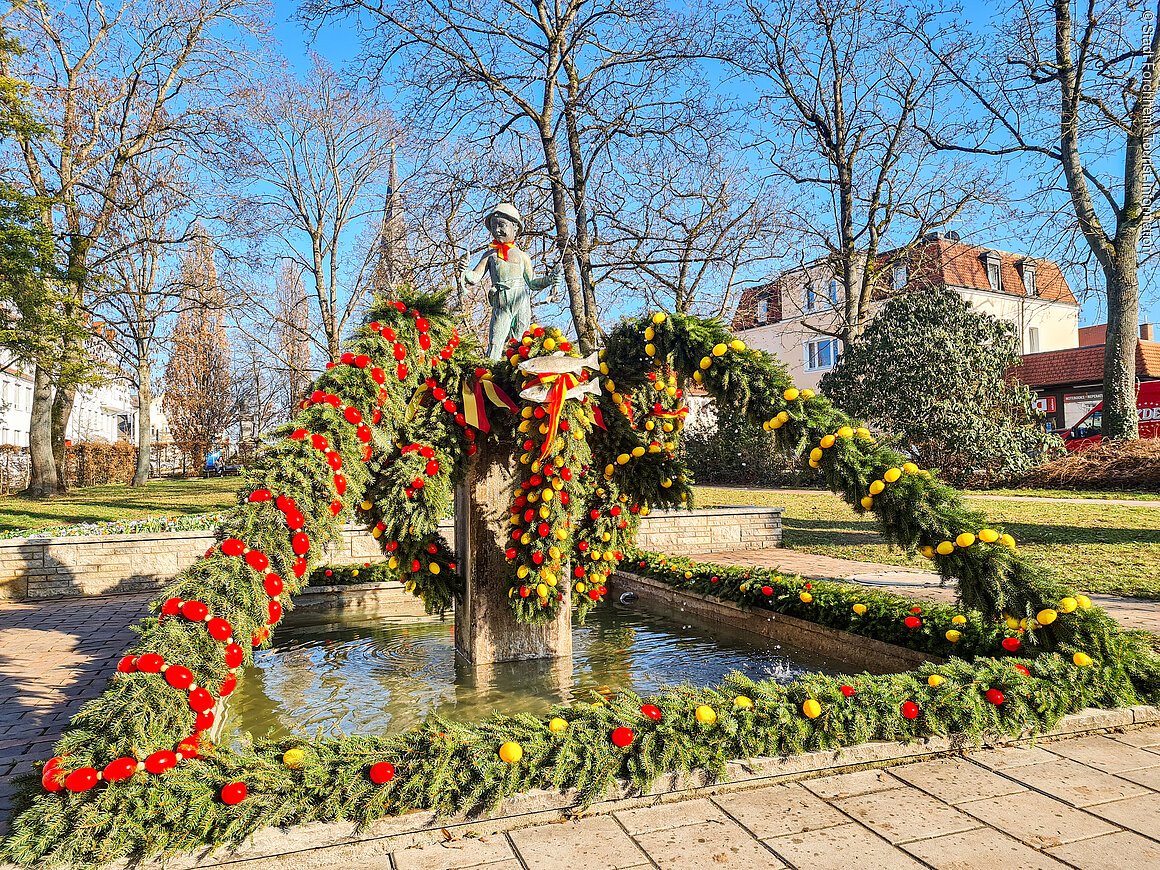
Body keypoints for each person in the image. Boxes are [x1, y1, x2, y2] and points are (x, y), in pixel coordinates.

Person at [460, 203, 560, 359]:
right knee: (496, 339)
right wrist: (465, 271)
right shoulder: (490, 255)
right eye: (494, 226)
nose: (497, 230)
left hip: (522, 300)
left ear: (514, 227)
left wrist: (550, 279)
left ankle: (515, 371)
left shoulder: (523, 256)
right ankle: (490, 371)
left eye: (501, 225)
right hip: (502, 299)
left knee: (521, 339)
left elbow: (532, 283)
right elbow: (474, 278)